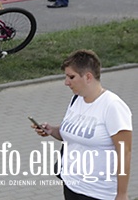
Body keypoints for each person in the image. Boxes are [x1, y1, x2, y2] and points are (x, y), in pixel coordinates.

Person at [32, 49, 132, 200]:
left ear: (88, 77)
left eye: (71, 77)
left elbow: (125, 153)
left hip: (98, 193)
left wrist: (122, 194)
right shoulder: (76, 100)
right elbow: (74, 134)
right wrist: (52, 130)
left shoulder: (113, 106)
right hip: (72, 186)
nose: (66, 82)